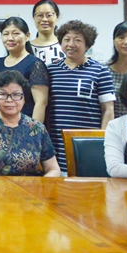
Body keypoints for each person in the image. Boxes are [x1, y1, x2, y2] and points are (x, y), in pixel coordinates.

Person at [46, 19, 116, 173]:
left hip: (88, 145)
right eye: (67, 39)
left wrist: (102, 141)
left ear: (87, 45)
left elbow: (108, 110)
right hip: (56, 146)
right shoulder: (51, 70)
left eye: (77, 40)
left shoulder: (100, 70)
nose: (71, 44)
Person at [0, 70, 60, 177]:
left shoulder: (37, 128)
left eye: (16, 95)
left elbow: (53, 169)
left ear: (24, 98)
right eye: (3, 94)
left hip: (30, 186)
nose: (9, 100)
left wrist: (41, 185)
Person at [0, 17, 49, 122]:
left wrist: (34, 129)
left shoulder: (35, 64)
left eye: (16, 34)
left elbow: (40, 103)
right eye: (5, 34)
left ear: (27, 36)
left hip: (24, 124)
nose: (10, 38)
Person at [30, 0, 64, 65]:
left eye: (49, 15)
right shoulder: (26, 48)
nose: (44, 19)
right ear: (34, 17)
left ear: (57, 17)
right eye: (40, 15)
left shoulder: (65, 46)